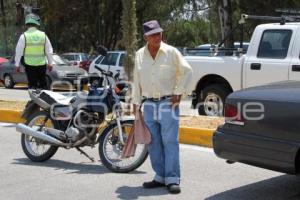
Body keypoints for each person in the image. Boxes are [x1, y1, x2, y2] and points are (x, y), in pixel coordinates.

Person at [132, 20, 193, 194]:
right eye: (153, 34)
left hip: (168, 103)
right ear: (146, 37)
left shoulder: (171, 52)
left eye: (159, 33)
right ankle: (160, 176)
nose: (157, 37)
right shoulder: (139, 55)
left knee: (170, 141)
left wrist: (179, 91)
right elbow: (136, 80)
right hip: (149, 104)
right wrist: (135, 103)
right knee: (153, 143)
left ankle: (172, 178)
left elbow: (187, 71)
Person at [15, 13, 54, 89]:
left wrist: (17, 64)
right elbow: (49, 50)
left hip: (29, 64)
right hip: (41, 64)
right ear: (37, 24)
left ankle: (34, 100)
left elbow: (18, 51)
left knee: (33, 85)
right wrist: (50, 63)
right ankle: (43, 99)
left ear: (27, 24)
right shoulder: (43, 35)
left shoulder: (24, 36)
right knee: (43, 84)